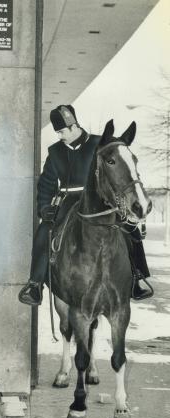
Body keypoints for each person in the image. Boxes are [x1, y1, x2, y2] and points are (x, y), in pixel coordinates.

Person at [18, 104, 152, 306]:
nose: (60, 136)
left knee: (129, 228)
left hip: (101, 200)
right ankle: (35, 284)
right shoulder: (55, 152)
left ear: (73, 126)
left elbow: (120, 172)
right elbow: (46, 184)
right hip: (68, 201)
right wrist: (45, 208)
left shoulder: (101, 144)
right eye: (57, 132)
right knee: (44, 231)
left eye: (62, 131)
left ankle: (136, 276)